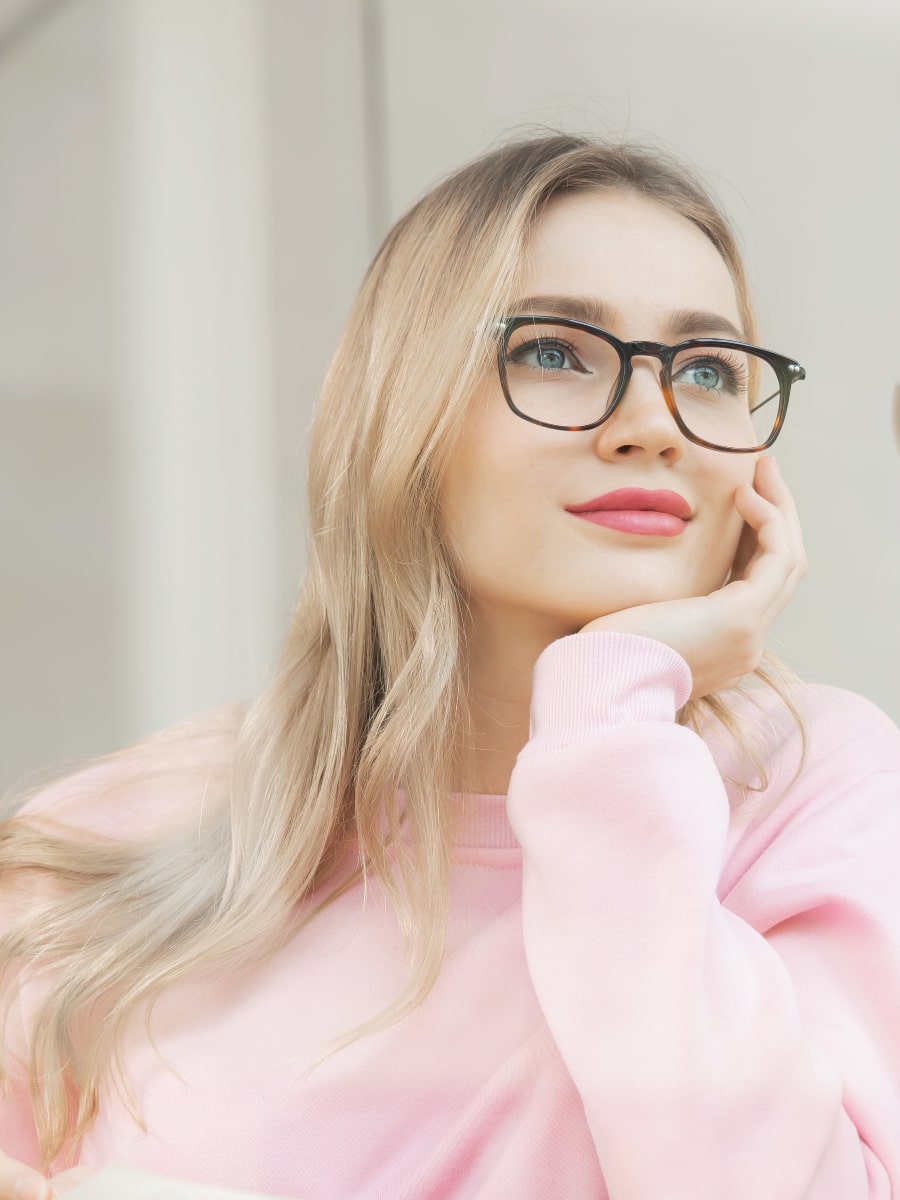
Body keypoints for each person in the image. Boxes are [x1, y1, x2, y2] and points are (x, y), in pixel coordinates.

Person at [1, 133, 898, 1200]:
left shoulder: (815, 797)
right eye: (555, 351)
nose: (652, 424)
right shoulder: (114, 840)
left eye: (705, 370)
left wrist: (611, 720)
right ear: (406, 413)